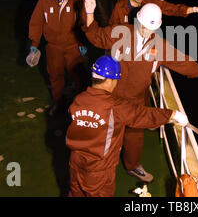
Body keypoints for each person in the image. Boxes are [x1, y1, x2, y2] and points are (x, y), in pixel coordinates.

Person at [83, 0, 198, 183]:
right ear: (137, 19)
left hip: (136, 99)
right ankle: (100, 165)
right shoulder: (120, 33)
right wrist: (89, 12)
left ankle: (132, 166)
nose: (146, 30)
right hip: (111, 97)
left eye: (151, 27)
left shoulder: (159, 45)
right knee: (107, 134)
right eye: (143, 25)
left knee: (135, 137)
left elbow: (181, 61)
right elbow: (96, 37)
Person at [66, 55, 188, 197]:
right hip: (99, 169)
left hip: (75, 162)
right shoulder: (114, 106)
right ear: (110, 80)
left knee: (75, 192)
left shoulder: (79, 100)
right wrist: (172, 114)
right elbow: (142, 115)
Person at [28, 0, 89, 115]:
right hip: (53, 47)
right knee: (55, 77)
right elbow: (36, 22)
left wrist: (82, 42)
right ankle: (59, 104)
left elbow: (83, 22)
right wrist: (34, 44)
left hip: (72, 46)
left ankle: (81, 106)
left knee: (78, 76)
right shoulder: (44, 0)